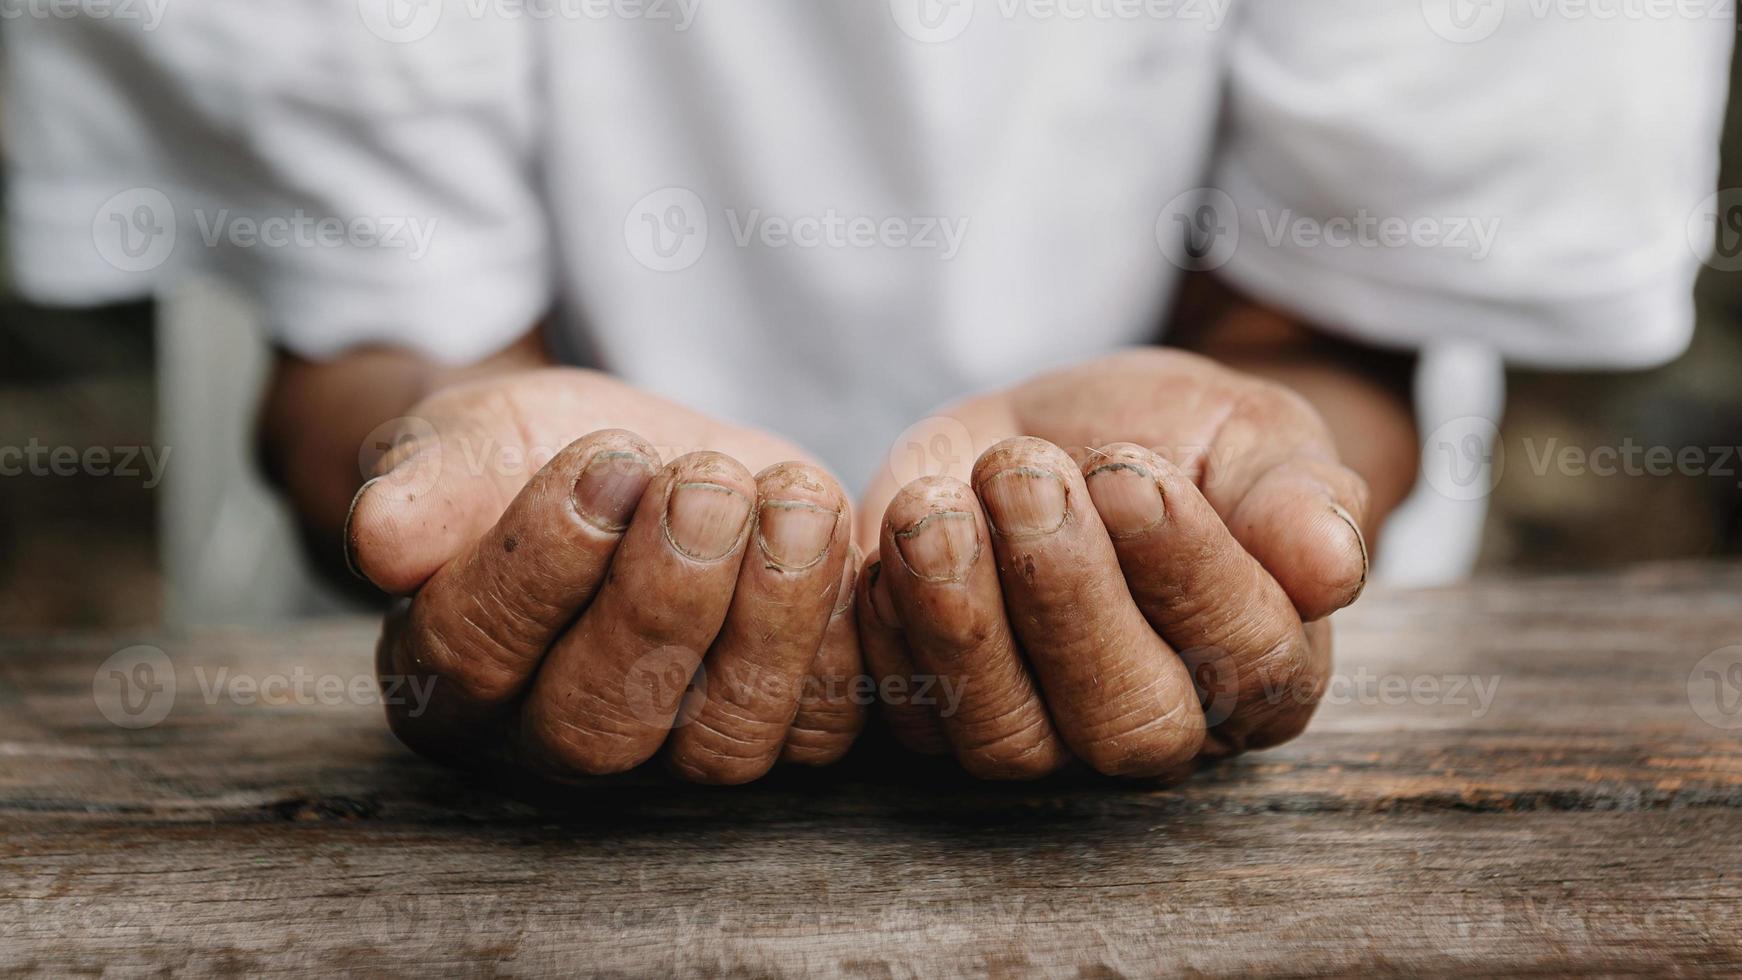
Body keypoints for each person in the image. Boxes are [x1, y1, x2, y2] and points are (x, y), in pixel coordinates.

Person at [5, 2, 1729, 784]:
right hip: (401, 772)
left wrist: (1250, 449)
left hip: (1263, 779)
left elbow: (1340, 323)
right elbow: (372, 332)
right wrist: (459, 447)